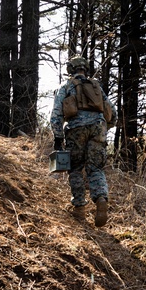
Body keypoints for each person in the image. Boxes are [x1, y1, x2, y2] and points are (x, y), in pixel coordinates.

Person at [50, 56, 117, 227]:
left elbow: (56, 114)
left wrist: (58, 137)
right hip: (98, 128)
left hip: (76, 130)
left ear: (70, 69)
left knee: (75, 168)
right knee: (95, 168)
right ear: (85, 69)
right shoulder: (96, 87)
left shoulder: (66, 86)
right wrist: (102, 129)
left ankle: (79, 208)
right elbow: (113, 114)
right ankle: (101, 198)